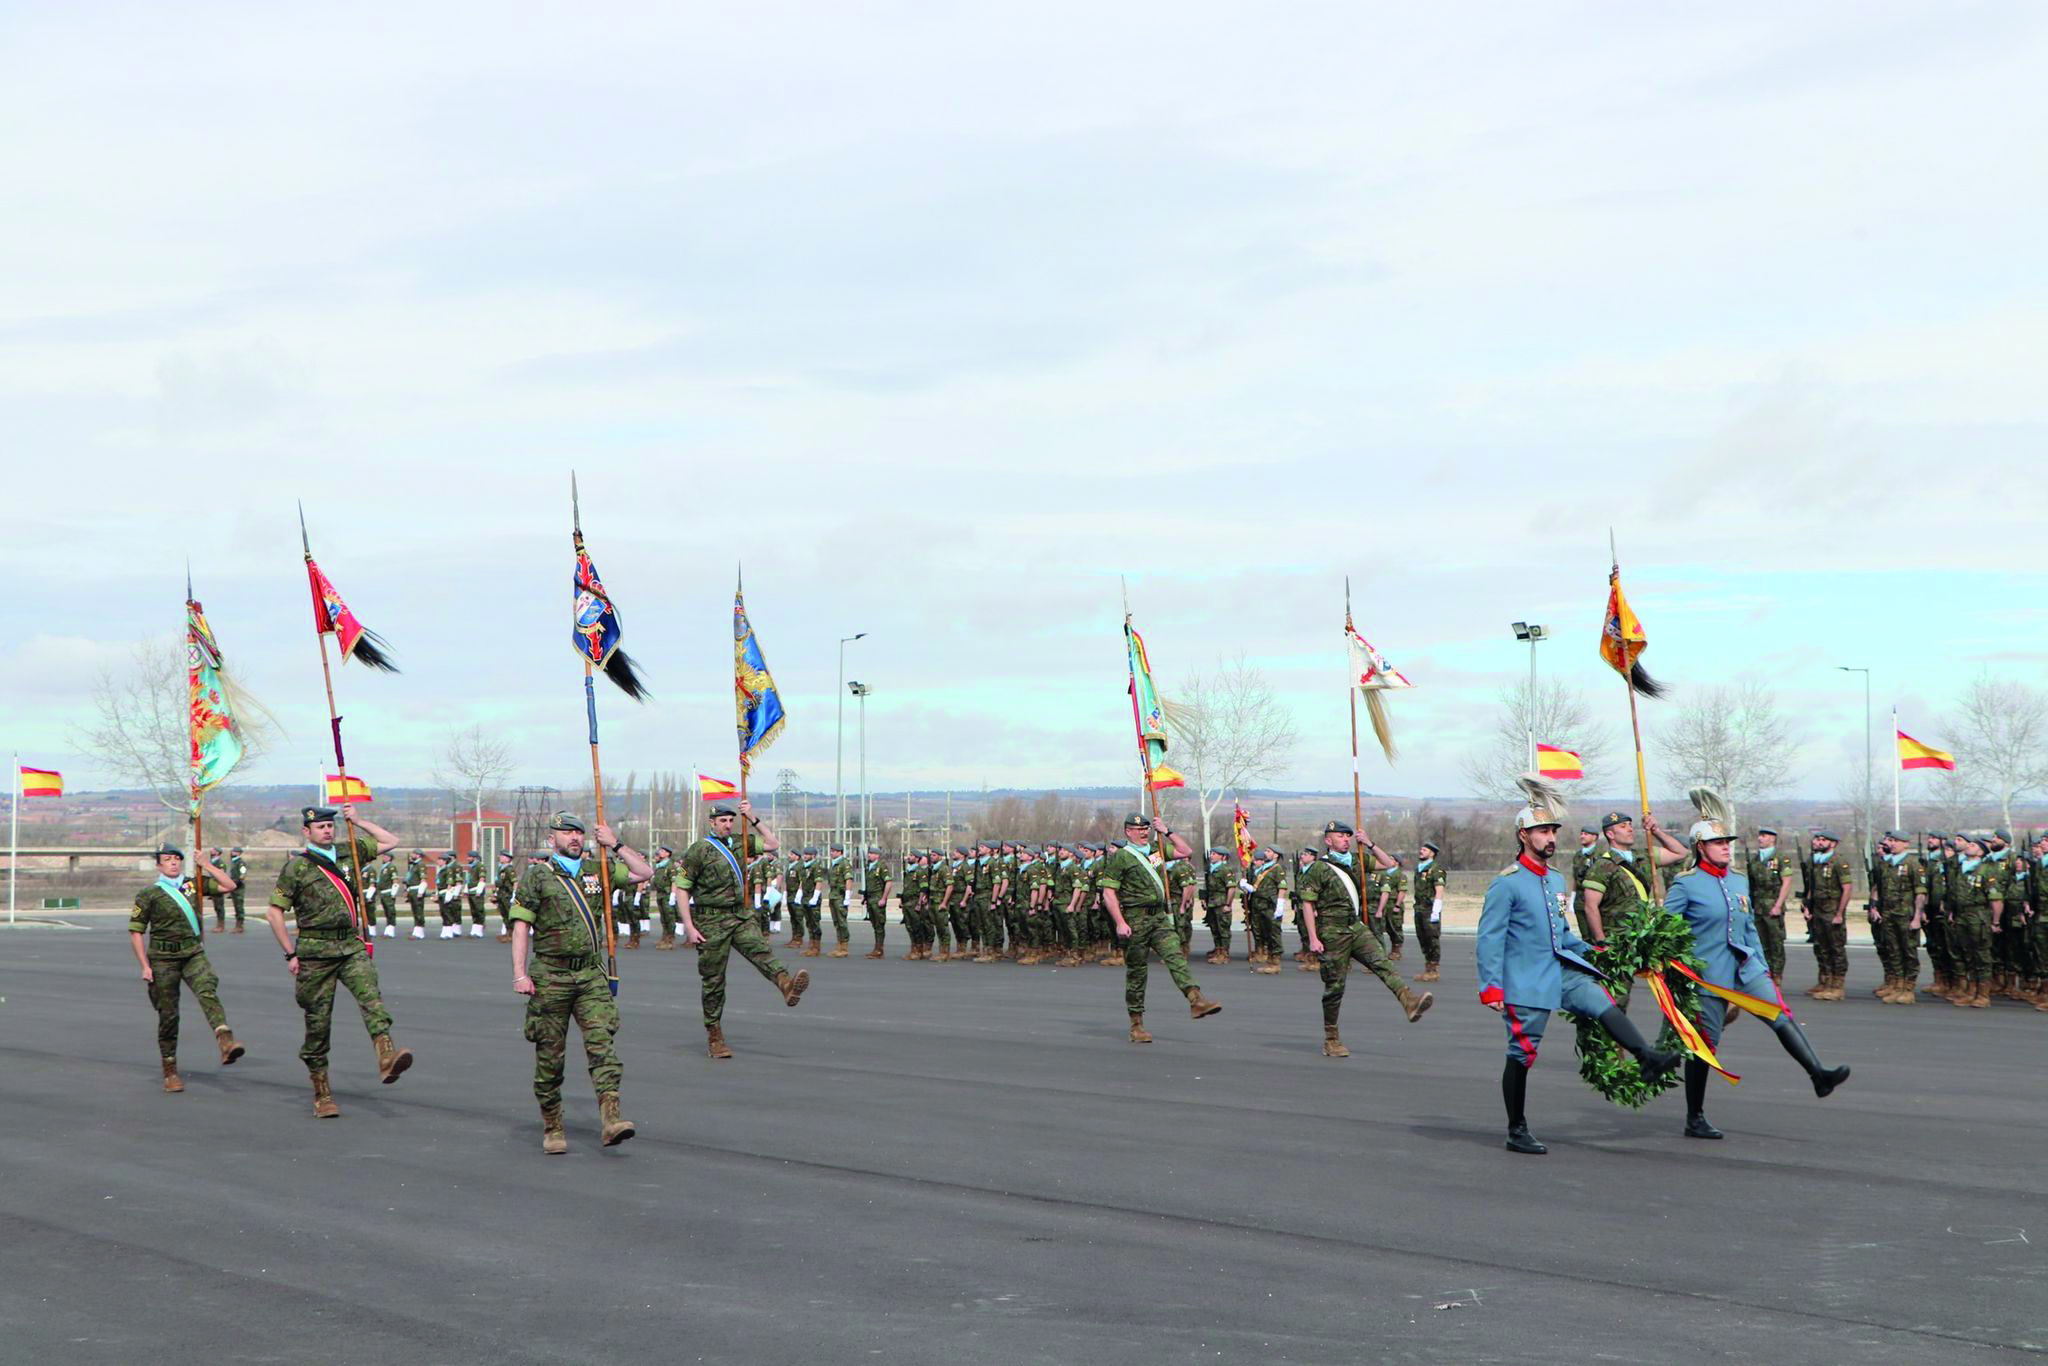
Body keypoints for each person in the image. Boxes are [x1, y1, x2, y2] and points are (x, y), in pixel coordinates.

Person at [1476, 782, 1679, 1155]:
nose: (1550, 837)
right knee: (1523, 1052)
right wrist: (1491, 987)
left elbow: (1561, 931)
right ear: (1523, 835)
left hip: (1561, 969)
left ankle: (1647, 1058)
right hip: (1525, 979)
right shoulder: (1506, 884)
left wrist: (1594, 951)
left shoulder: (1554, 879)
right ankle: (1516, 1129)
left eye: (1553, 830)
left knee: (1601, 1001)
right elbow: (1489, 938)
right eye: (1542, 831)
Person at [1662, 797, 1851, 1140]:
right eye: (1718, 843)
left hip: (1745, 967)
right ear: (1700, 847)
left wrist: (1762, 967)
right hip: (1709, 974)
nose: (1726, 849)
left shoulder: (1738, 880)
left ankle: (1818, 1075)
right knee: (1705, 1046)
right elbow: (1666, 931)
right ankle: (1695, 1116)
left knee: (1780, 1015)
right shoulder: (1685, 884)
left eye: (1727, 843)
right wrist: (1677, 969)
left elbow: (1748, 928)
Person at [511, 812, 650, 1153]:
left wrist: (614, 843)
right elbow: (520, 928)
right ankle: (553, 1126)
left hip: (590, 975)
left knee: (603, 1048)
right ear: (552, 838)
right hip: (550, 976)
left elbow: (645, 872)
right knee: (549, 1057)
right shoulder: (538, 876)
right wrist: (519, 973)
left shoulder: (596, 869)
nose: (574, 838)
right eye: (566, 833)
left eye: (578, 833)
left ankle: (611, 1120)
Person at [263, 806, 413, 1118]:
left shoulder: (351, 852)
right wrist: (290, 952)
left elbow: (391, 840)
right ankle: (322, 1092)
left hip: (350, 944)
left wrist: (358, 820)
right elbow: (274, 911)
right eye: (320, 826)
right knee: (318, 1023)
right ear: (307, 832)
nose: (327, 830)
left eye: (330, 825)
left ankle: (386, 1055)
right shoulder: (297, 868)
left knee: (371, 996)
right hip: (315, 952)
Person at [676, 801, 809, 1059]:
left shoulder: (740, 842)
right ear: (712, 822)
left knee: (761, 950)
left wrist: (753, 817)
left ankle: (786, 984)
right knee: (714, 981)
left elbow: (772, 844)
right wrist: (689, 926)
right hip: (710, 921)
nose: (727, 825)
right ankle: (715, 1035)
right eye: (722, 821)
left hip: (739, 914)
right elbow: (682, 887)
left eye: (730, 820)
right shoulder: (699, 850)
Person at [1298, 821, 1431, 1056]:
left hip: (1355, 927)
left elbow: (1388, 863)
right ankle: (1331, 1039)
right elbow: (1307, 904)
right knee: (1335, 987)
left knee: (1382, 962)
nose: (1346, 839)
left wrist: (1369, 843)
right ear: (1328, 840)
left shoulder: (1358, 859)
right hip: (1332, 931)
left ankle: (1409, 1001)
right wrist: (1313, 938)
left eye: (1348, 836)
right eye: (1340, 836)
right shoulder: (1319, 868)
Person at [129, 844, 246, 1092]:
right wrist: (144, 966)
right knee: (169, 1015)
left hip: (192, 953)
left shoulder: (194, 885)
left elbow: (230, 886)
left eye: (176, 859)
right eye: (167, 859)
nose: (173, 863)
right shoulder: (149, 894)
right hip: (162, 959)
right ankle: (170, 1069)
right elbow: (136, 932)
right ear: (158, 865)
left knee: (207, 990)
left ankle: (225, 1040)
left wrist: (207, 865)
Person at [1101, 812, 1220, 1043]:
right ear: (1128, 831)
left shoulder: (1155, 852)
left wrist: (1166, 831)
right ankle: (1136, 1025)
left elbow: (1186, 852)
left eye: (1146, 828)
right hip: (1135, 920)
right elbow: (1108, 892)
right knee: (1137, 974)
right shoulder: (1122, 857)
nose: (1144, 832)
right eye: (1139, 829)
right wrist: (1120, 922)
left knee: (1175, 956)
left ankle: (1196, 1000)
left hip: (1158, 919)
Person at [1580, 810, 1686, 945]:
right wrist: (1601, 941)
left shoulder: (1645, 857)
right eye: (1623, 826)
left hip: (1643, 937)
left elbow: (1681, 853)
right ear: (1610, 834)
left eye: (1630, 825)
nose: (1630, 829)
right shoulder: (1602, 865)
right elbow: (1590, 907)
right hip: (1617, 940)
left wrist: (1656, 830)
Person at [1868, 831, 1925, 1004]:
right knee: (1893, 950)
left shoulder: (1913, 864)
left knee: (1908, 952)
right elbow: (1878, 888)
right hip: (1889, 914)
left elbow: (1920, 893)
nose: (1892, 844)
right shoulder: (1886, 864)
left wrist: (1917, 917)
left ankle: (1908, 989)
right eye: (1891, 841)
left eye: (1897, 841)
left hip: (1905, 915)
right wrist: (1874, 907)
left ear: (1906, 844)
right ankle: (1897, 986)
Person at [1800, 831, 1854, 1000]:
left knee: (1836, 948)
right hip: (1817, 910)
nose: (1819, 842)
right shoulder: (1814, 862)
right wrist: (1807, 906)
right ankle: (1825, 981)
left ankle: (1837, 986)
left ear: (1833, 843)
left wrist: (1839, 913)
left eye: (1824, 840)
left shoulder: (1838, 861)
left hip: (1832, 910)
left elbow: (1847, 888)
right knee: (1821, 947)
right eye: (1818, 839)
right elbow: (1811, 886)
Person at [1744, 827, 1795, 984]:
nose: (1760, 839)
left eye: (1764, 836)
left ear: (1772, 839)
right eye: (1759, 836)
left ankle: (1777, 977)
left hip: (1773, 906)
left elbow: (1786, 882)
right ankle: (1764, 974)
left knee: (1776, 943)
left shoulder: (1780, 858)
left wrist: (1778, 905)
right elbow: (1751, 885)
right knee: (1760, 942)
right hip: (1757, 907)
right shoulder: (1754, 859)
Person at [1241, 847, 1284, 973]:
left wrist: (1280, 905)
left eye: (1269, 851)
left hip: (1270, 906)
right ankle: (1267, 958)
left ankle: (1275, 962)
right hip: (1259, 906)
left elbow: (1282, 887)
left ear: (1275, 855)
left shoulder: (1277, 869)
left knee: (1273, 934)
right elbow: (1256, 888)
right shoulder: (1262, 870)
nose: (1265, 853)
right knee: (1264, 933)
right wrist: (1245, 885)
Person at [1411, 840, 1446, 983]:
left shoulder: (1436, 869)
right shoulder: (1419, 869)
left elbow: (1439, 890)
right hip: (1419, 908)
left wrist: (1436, 911)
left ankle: (1434, 970)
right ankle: (1427, 967)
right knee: (1422, 938)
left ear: (1432, 853)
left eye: (1425, 850)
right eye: (1421, 849)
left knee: (1432, 938)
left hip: (1429, 909)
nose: (1421, 851)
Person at [1201, 848, 1236, 965]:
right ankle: (1218, 949)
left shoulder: (1225, 869)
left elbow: (1231, 888)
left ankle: (1224, 954)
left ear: (1223, 857)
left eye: (1214, 854)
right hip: (1212, 903)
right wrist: (1204, 899)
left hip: (1221, 903)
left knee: (1223, 930)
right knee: (1214, 928)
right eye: (1211, 853)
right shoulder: (1212, 869)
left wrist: (1228, 904)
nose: (1211, 856)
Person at [861, 846, 892, 959]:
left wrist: (883, 898)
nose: (869, 855)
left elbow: (888, 882)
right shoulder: (870, 867)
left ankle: (879, 950)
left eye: (871, 853)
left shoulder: (881, 867)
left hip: (878, 899)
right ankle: (876, 948)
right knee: (875, 925)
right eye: (869, 853)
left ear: (877, 855)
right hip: (871, 899)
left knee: (879, 925)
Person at [403, 851, 430, 938]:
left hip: (417, 890)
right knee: (414, 910)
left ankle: (419, 931)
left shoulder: (420, 865)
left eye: (413, 854)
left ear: (418, 855)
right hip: (412, 890)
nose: (411, 855)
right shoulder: (413, 865)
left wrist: (420, 892)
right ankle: (416, 930)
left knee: (418, 910)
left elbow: (423, 880)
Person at [226, 846, 249, 933]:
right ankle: (238, 925)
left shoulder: (240, 863)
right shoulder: (234, 862)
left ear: (239, 853)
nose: (232, 853)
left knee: (239, 906)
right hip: (234, 886)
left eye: (234, 851)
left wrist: (239, 881)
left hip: (238, 887)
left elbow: (243, 873)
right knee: (236, 906)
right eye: (232, 851)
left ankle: (240, 925)